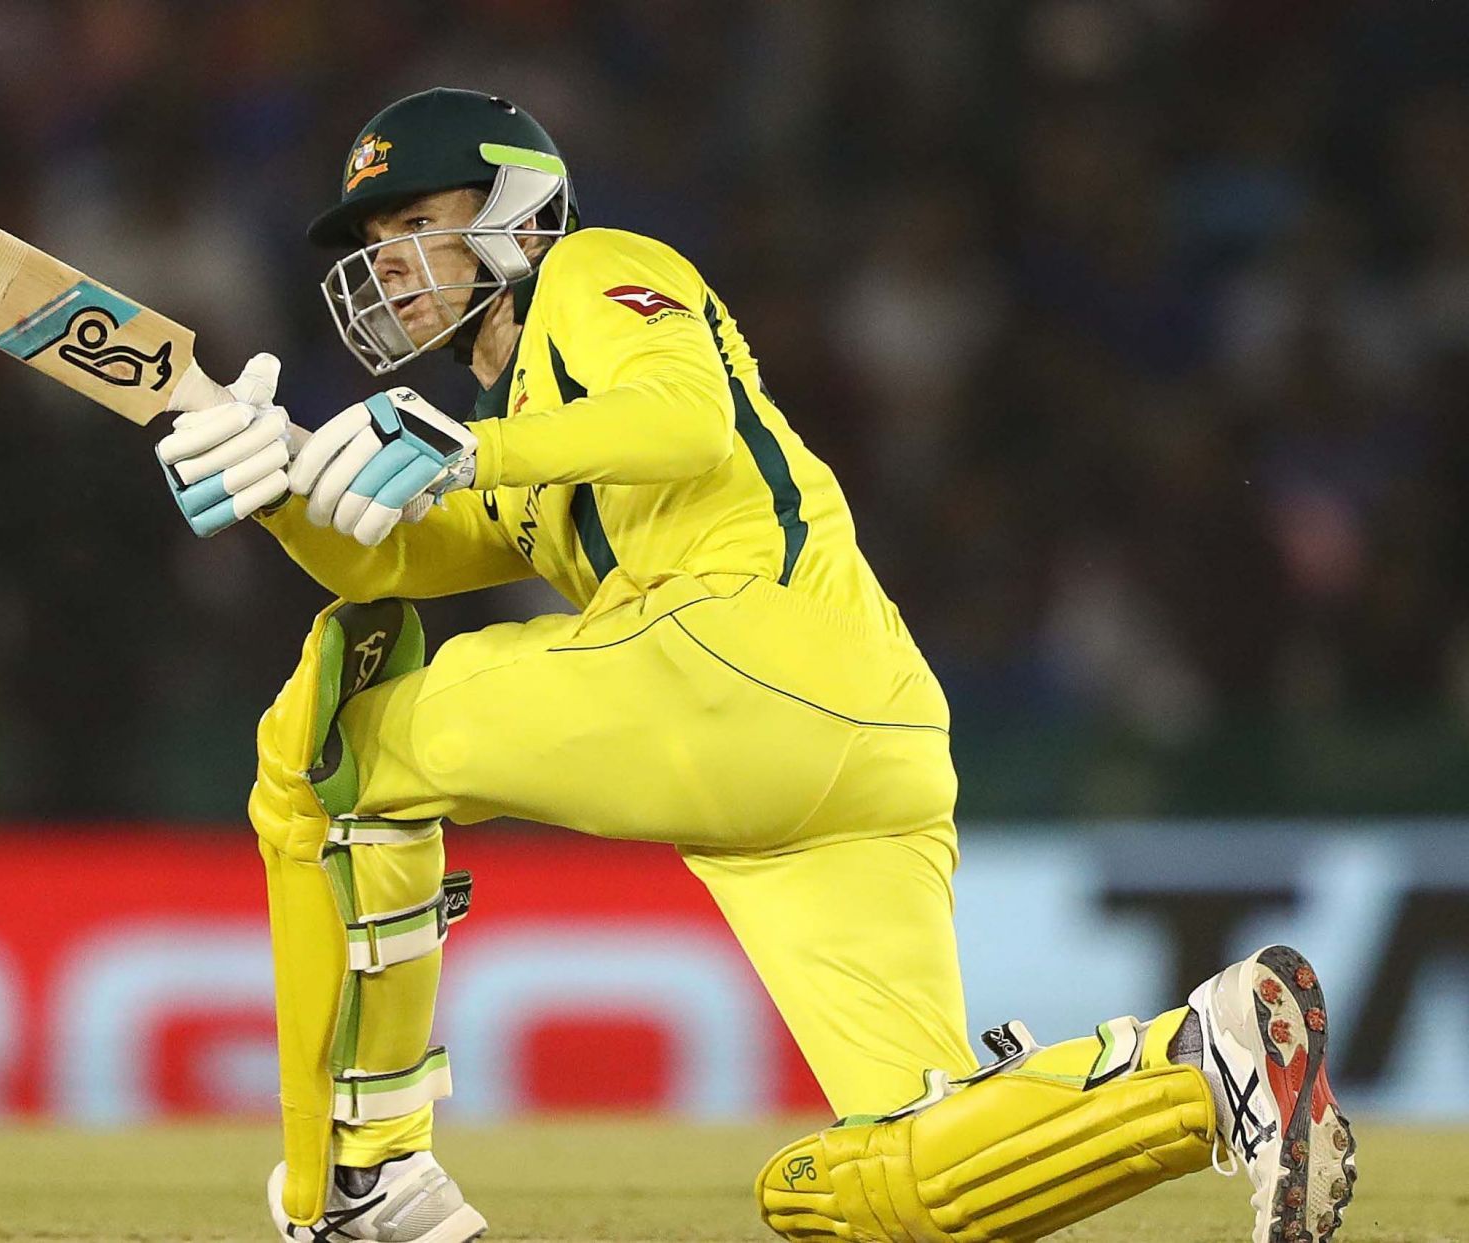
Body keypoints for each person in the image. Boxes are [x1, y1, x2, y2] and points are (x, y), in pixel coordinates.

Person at [154, 88, 1356, 1243]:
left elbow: (685, 421)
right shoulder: (519, 428)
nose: (392, 261)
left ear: (517, 211)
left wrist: (470, 449)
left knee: (333, 751)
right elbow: (392, 559)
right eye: (377, 237)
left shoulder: (593, 269)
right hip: (858, 753)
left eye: (418, 223)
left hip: (745, 657)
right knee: (881, 1180)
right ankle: (1213, 1059)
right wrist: (272, 480)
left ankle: (362, 1176)